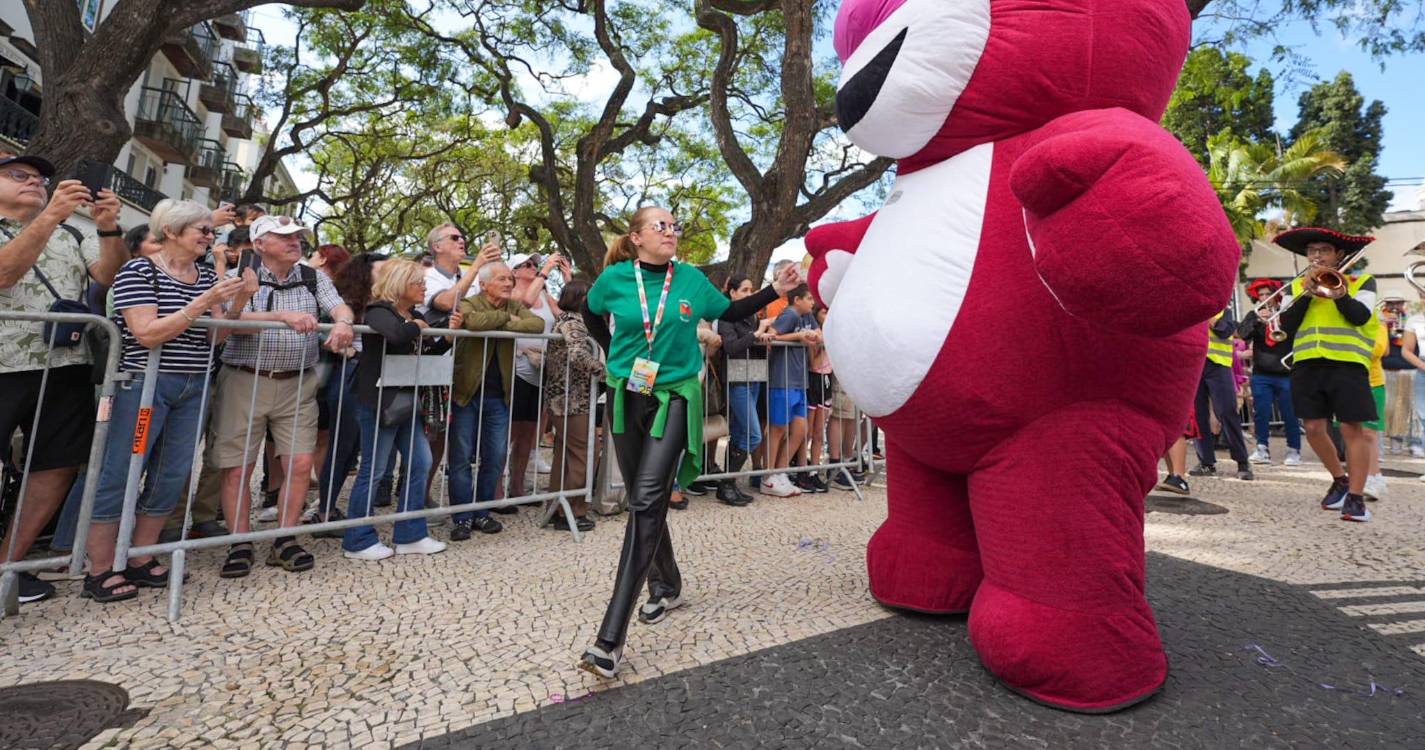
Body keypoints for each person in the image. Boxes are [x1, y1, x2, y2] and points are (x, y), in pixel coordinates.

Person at [576, 205, 800, 678]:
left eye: (673, 226)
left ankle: (609, 639)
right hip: (627, 393)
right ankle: (667, 584)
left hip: (676, 396)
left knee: (648, 498)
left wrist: (774, 291)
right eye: (660, 226)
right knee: (644, 501)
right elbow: (589, 313)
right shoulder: (616, 278)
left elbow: (730, 312)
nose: (670, 231)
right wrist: (613, 353)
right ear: (636, 237)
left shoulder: (692, 279)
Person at [80, 200, 251, 601]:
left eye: (213, 231)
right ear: (171, 231)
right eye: (204, 230)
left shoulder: (206, 273)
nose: (212, 237)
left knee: (171, 475)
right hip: (144, 384)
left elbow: (215, 337)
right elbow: (147, 333)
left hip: (193, 384)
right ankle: (100, 568)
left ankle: (140, 556)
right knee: (121, 471)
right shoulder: (138, 270)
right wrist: (203, 302)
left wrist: (237, 302)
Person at [0, 151, 127, 604]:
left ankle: (8, 567)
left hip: (63, 365)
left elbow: (109, 275)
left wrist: (109, 225)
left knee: (55, 466)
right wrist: (50, 214)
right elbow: (4, 273)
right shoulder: (51, 220)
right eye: (20, 175)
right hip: (4, 366)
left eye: (40, 178)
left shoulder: (74, 231)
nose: (35, 182)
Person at [212, 215, 356, 577]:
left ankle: (285, 539)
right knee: (237, 468)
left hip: (298, 382)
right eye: (284, 237)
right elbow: (223, 325)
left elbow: (339, 305)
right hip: (246, 379)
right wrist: (280, 315)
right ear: (260, 244)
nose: (295, 242)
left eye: (297, 237)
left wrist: (342, 322)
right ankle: (240, 542)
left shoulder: (312, 277)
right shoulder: (237, 278)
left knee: (300, 464)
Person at [341, 260, 454, 560]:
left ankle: (410, 533)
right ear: (400, 283)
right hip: (379, 402)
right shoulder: (379, 310)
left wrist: (445, 338)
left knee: (421, 461)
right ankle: (358, 539)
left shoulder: (413, 315)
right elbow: (397, 336)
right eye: (418, 282)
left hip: (407, 402)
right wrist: (417, 326)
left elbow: (424, 350)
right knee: (374, 470)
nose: (424, 287)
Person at [1273, 227, 1379, 522]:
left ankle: (1356, 498)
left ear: (1339, 254)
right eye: (1312, 251)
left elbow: (1360, 316)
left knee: (1351, 429)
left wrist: (1338, 291)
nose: (1317, 256)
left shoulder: (1363, 281)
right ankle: (1340, 479)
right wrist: (1308, 292)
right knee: (1314, 427)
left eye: (1324, 250)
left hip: (1348, 363)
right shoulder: (1295, 286)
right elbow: (1287, 325)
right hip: (1307, 362)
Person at [446, 261, 545, 540]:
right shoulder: (470, 302)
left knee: (495, 456)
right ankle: (462, 517)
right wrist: (507, 321)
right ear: (483, 283)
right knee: (462, 457)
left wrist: (507, 319)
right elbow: (474, 322)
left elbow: (536, 324)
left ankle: (483, 512)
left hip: (499, 396)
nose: (508, 283)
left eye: (509, 280)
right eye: (501, 279)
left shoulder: (513, 305)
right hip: (466, 392)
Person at [542, 279, 604, 531]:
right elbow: (578, 353)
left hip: (564, 399)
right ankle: (574, 509)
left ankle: (558, 508)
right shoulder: (574, 322)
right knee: (585, 451)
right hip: (572, 400)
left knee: (564, 456)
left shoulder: (567, 320)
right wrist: (601, 370)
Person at [507, 251, 568, 501]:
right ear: (514, 271)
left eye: (535, 264)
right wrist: (545, 272)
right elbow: (525, 303)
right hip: (517, 367)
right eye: (528, 264)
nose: (533, 267)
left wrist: (567, 278)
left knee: (529, 432)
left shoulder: (544, 292)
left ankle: (518, 486)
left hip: (539, 368)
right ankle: (495, 487)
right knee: (510, 430)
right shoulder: (512, 293)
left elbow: (564, 315)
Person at [715, 273, 770, 506]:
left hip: (755, 375)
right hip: (737, 378)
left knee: (740, 432)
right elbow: (731, 346)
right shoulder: (727, 317)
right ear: (733, 292)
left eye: (751, 290)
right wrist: (756, 335)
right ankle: (725, 484)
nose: (750, 294)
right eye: (745, 290)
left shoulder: (753, 318)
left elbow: (751, 342)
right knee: (753, 433)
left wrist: (763, 337)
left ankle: (729, 484)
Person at [1236, 279, 1302, 466]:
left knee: (1290, 414)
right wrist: (1257, 321)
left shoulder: (1286, 314)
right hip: (1261, 373)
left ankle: (1293, 450)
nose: (1265, 298)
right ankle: (1261, 448)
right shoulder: (1254, 314)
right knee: (1261, 413)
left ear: (1276, 295)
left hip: (1286, 372)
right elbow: (1242, 334)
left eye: (1268, 294)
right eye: (1261, 295)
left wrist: (1277, 320)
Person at [763, 284, 820, 497]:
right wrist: (798, 337)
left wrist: (813, 335)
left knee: (800, 430)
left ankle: (780, 471)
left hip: (799, 380)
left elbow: (817, 333)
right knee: (778, 429)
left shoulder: (807, 317)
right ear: (797, 300)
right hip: (782, 379)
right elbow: (772, 336)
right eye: (809, 299)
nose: (812, 303)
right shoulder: (789, 314)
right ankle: (768, 476)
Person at [1188, 309, 1254, 480]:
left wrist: (1210, 318)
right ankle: (1206, 462)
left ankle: (1242, 461)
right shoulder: (1191, 306)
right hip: (1195, 365)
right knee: (1198, 414)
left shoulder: (1223, 310)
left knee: (1227, 411)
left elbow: (1225, 331)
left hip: (1218, 366)